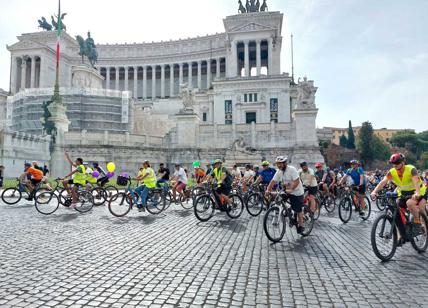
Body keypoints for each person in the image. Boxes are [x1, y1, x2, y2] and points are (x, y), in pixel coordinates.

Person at [371, 153, 427, 239]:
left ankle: (418, 224)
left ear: (403, 162)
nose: (395, 165)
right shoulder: (392, 172)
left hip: (419, 191)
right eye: (393, 163)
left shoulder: (411, 169)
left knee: (413, 205)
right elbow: (383, 181)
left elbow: (416, 181)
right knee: (396, 207)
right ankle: (402, 232)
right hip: (404, 194)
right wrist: (374, 192)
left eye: (397, 163)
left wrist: (417, 193)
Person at [266, 156, 306, 234]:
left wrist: (292, 189)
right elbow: (273, 181)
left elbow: (297, 181)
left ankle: (301, 225)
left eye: (280, 164)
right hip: (287, 190)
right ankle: (283, 213)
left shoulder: (292, 169)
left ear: (285, 163)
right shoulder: (279, 171)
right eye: (278, 164)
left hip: (297, 192)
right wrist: (268, 190)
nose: (279, 166)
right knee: (278, 199)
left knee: (298, 210)